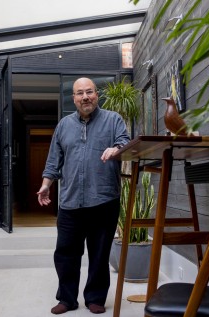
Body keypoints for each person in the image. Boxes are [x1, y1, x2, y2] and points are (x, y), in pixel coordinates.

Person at [37, 77, 130, 315]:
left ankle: (95, 298)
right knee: (66, 253)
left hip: (104, 198)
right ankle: (67, 299)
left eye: (89, 92)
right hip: (70, 201)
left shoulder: (113, 120)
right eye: (80, 93)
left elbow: (124, 142)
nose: (85, 97)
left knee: (99, 253)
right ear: (74, 98)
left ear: (97, 95)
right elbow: (53, 162)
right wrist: (46, 185)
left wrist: (116, 149)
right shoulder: (63, 125)